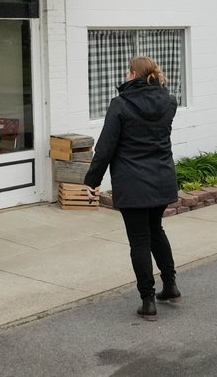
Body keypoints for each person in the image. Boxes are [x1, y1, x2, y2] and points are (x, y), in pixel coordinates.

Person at [84, 56, 180, 322]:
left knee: (139, 240)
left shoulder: (121, 104)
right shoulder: (168, 102)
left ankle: (148, 300)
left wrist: (92, 180)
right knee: (156, 230)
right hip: (161, 177)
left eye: (128, 71)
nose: (126, 75)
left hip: (133, 182)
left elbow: (105, 147)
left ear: (133, 75)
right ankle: (170, 285)